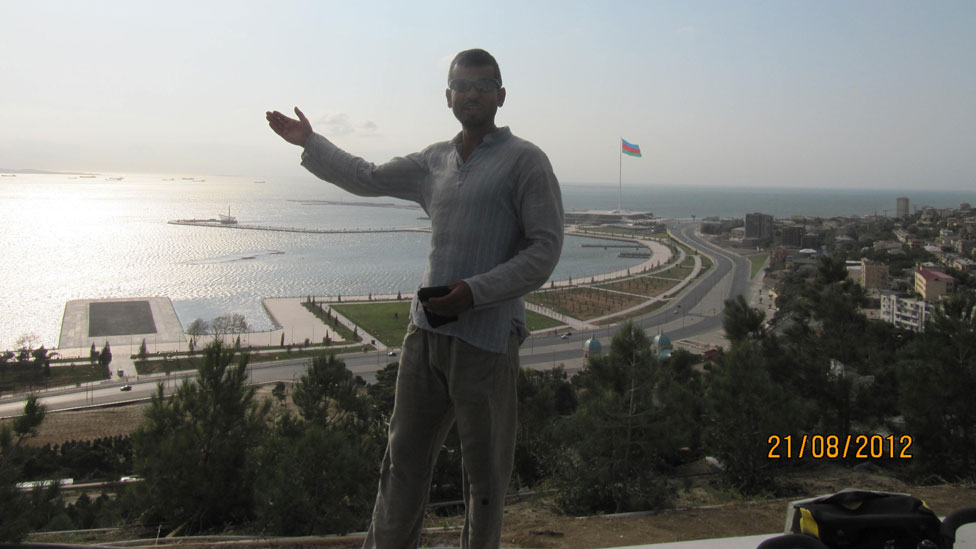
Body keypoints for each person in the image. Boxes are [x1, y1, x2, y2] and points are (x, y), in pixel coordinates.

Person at [266, 48, 563, 548]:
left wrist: (475, 293)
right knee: (401, 466)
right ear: (448, 97)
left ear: (501, 96)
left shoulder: (526, 161)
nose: (471, 94)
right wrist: (311, 142)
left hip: (488, 342)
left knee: (484, 483)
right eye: (461, 86)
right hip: (424, 337)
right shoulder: (434, 161)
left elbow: (545, 250)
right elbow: (367, 176)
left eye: (483, 85)